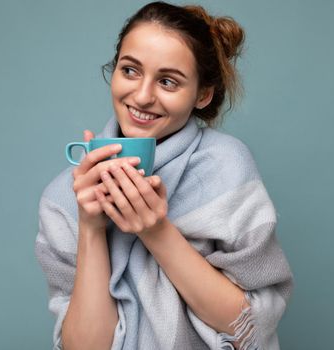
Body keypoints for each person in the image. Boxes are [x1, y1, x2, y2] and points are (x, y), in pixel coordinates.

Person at [34, 2, 293, 349]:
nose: (142, 96)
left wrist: (155, 231)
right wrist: (91, 228)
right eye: (130, 71)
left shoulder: (226, 168)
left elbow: (251, 324)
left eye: (168, 81)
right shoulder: (65, 199)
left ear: (202, 95)